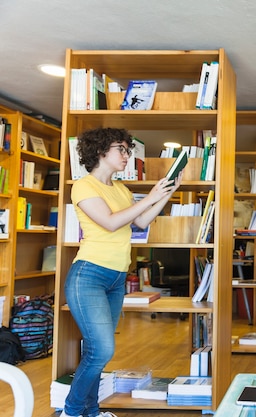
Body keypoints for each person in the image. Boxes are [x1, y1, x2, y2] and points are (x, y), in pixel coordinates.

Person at [61, 128, 182, 417]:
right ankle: (71, 411)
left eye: (128, 150)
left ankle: (90, 412)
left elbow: (140, 221)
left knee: (95, 351)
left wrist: (166, 194)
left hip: (116, 278)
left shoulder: (121, 189)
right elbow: (111, 222)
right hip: (89, 274)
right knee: (102, 350)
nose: (127, 155)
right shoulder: (84, 186)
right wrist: (150, 194)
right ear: (100, 151)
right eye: (122, 149)